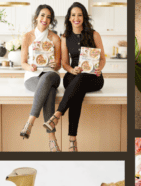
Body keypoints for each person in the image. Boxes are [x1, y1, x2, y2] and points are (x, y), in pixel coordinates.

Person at [43, 2, 106, 152]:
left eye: (79, 15)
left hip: (93, 77)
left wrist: (99, 68)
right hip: (73, 75)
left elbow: (102, 59)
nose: (76, 18)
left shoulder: (94, 34)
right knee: (77, 91)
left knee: (81, 81)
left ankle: (57, 115)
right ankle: (72, 142)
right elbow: (64, 63)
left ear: (84, 17)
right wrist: (72, 70)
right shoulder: (65, 37)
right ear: (69, 18)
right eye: (73, 15)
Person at [20, 4, 61, 152]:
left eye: (48, 17)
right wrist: (30, 67)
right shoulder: (28, 36)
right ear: (36, 17)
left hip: (51, 75)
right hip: (33, 76)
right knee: (49, 92)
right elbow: (23, 62)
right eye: (42, 15)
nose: (45, 19)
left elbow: (58, 66)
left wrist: (55, 64)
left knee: (48, 78)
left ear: (51, 20)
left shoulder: (55, 38)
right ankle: (52, 140)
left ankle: (30, 121)